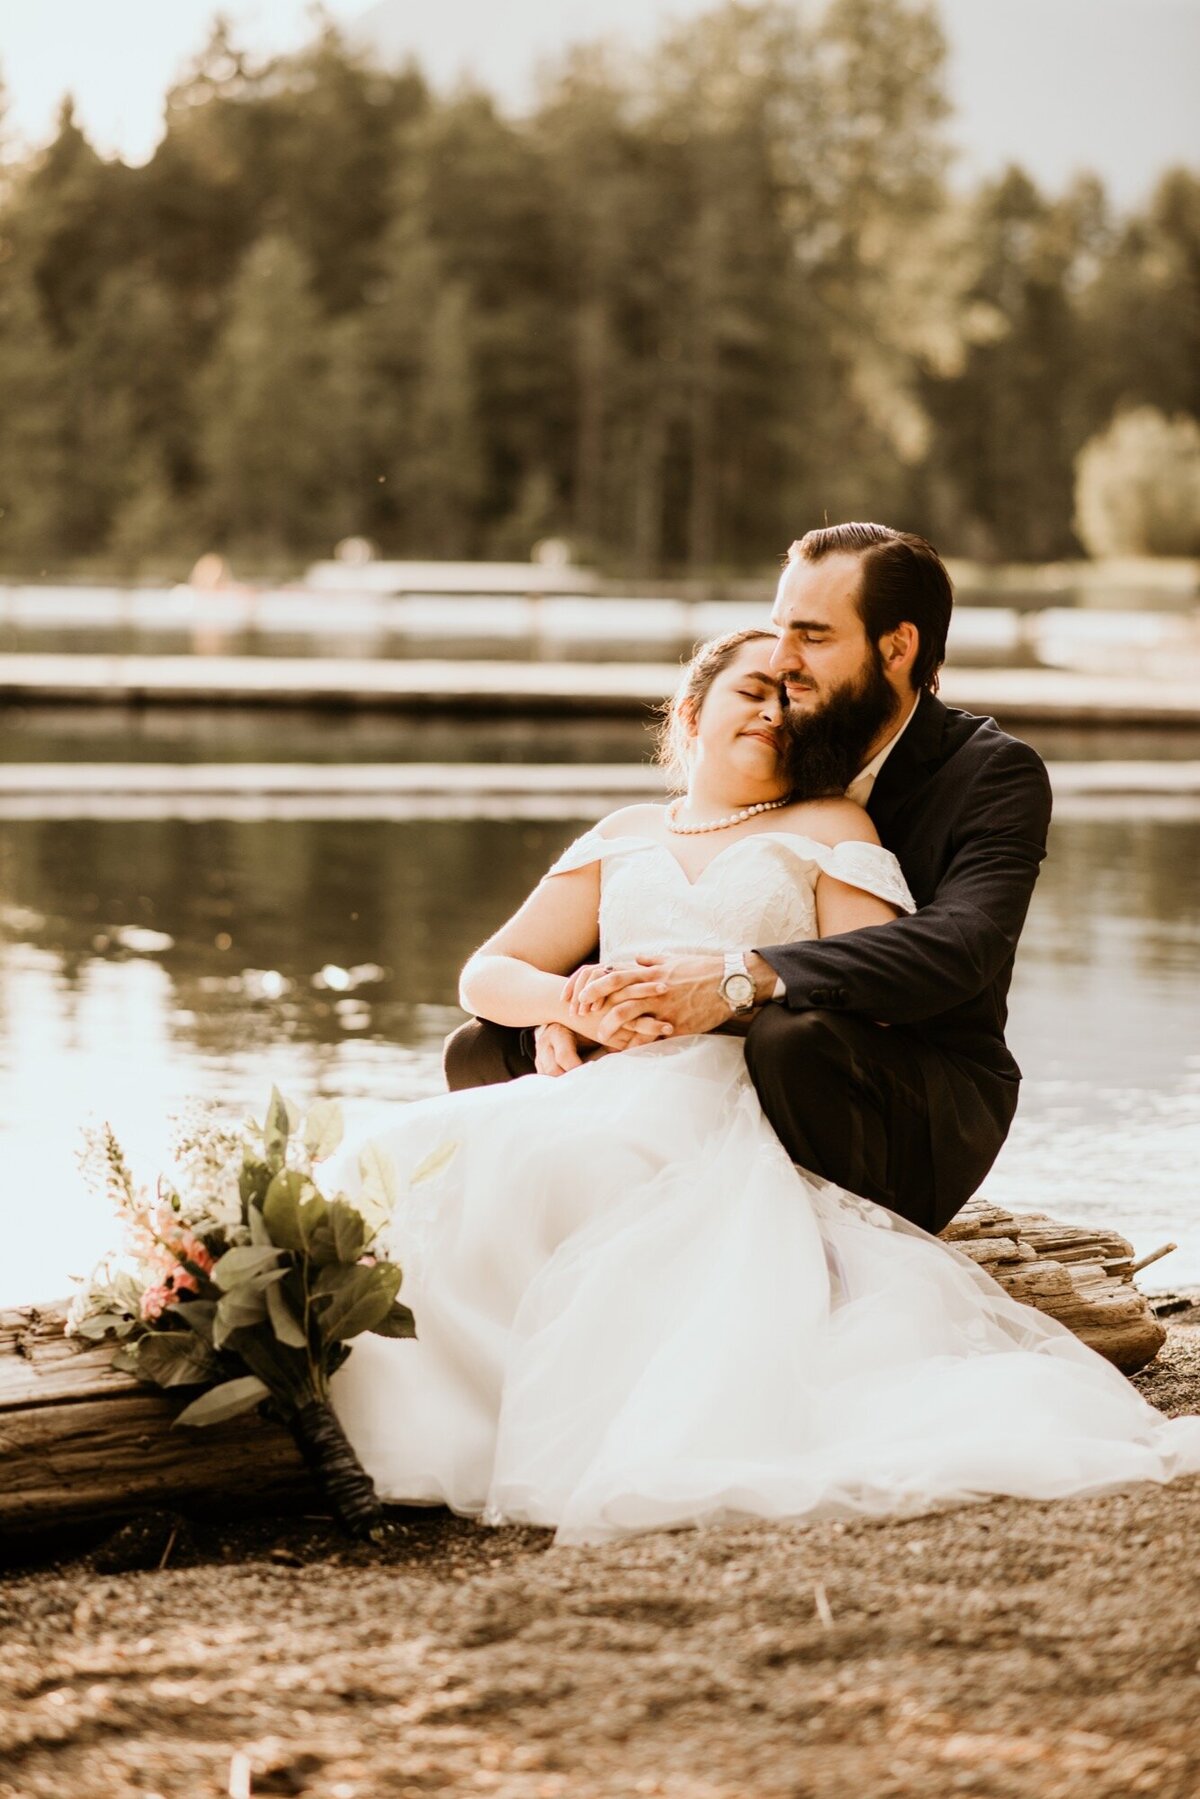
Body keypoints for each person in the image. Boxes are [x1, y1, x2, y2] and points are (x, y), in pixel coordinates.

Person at [324, 625, 1200, 1545]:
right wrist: (572, 1005)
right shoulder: (625, 833)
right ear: (691, 711)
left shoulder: (831, 828)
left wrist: (716, 1005)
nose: (775, 712)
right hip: (608, 1075)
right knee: (408, 1160)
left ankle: (557, 1414)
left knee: (585, 1167)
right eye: (752, 692)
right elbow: (485, 974)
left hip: (728, 1092)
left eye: (791, 699)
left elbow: (860, 992)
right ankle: (445, 1406)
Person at [445, 523, 1052, 1236]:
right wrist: (576, 1002)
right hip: (699, 1057)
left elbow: (960, 947)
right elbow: (679, 903)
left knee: (795, 1038)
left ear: (897, 647)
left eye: (814, 636)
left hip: (903, 1085)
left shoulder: (990, 773)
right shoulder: (789, 742)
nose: (785, 663)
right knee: (485, 1042)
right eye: (779, 630)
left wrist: (741, 980)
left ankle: (828, 1249)